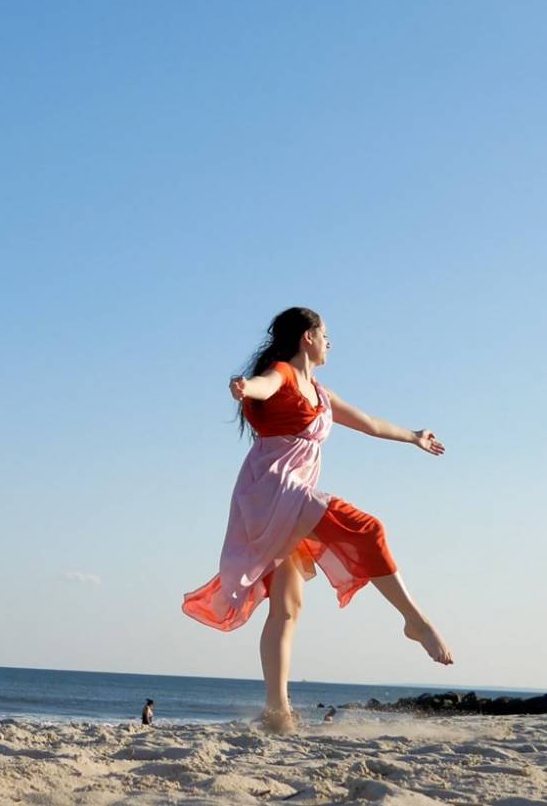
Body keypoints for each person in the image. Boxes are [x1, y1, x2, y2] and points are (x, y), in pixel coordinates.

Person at [181, 307, 453, 733]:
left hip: (286, 500)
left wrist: (414, 436)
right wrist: (244, 387)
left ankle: (277, 712)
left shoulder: (321, 394)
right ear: (308, 337)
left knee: (288, 607)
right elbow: (264, 385)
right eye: (326, 335)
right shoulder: (284, 374)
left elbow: (370, 423)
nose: (329, 343)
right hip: (274, 492)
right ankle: (415, 622)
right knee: (369, 528)